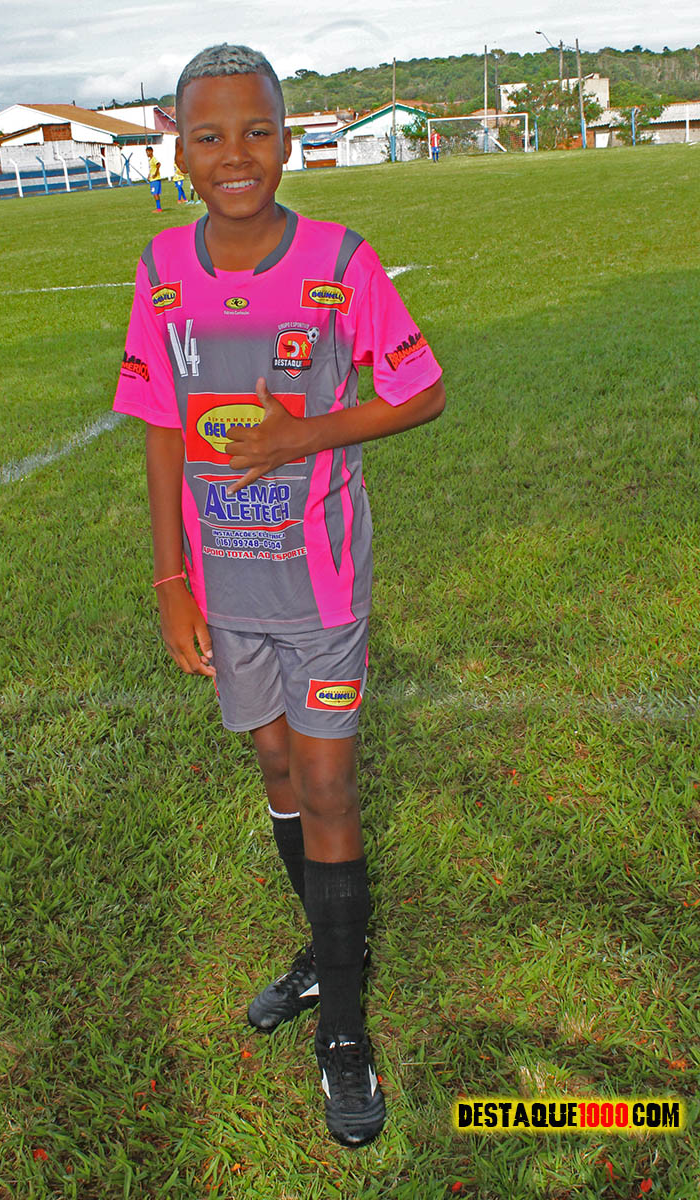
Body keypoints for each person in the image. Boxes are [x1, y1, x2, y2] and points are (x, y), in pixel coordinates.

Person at [113, 43, 444, 1148]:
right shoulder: (161, 268)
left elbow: (420, 390)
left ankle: (344, 1031)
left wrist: (307, 434)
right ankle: (323, 951)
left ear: (288, 141)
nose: (235, 154)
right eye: (209, 135)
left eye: (256, 130)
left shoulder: (340, 261)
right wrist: (171, 581)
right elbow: (163, 431)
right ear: (179, 151)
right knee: (276, 771)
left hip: (320, 584)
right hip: (225, 584)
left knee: (329, 786)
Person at [145, 145, 162, 211]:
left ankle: (159, 208)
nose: (147, 154)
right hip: (153, 179)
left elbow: (158, 164)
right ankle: (158, 208)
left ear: (151, 151)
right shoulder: (150, 160)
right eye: (146, 152)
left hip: (155, 179)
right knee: (155, 194)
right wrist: (149, 176)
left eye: (148, 152)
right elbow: (152, 169)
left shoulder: (154, 159)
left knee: (155, 194)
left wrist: (156, 173)